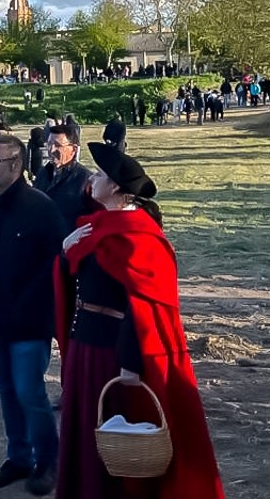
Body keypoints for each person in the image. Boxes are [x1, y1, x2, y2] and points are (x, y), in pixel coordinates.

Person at [54, 144, 225, 499]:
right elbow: (80, 280)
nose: (93, 180)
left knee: (117, 439)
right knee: (87, 431)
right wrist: (65, 253)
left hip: (113, 353)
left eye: (100, 175)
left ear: (115, 187)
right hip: (85, 344)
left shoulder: (141, 238)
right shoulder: (95, 226)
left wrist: (131, 363)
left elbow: (142, 306)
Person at [0, 134, 66, 495]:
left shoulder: (40, 207)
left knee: (29, 392)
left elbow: (58, 264)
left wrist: (29, 301)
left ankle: (48, 461)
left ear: (17, 166)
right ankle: (18, 458)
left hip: (30, 323)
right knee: (6, 391)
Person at [33, 123, 96, 233]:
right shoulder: (42, 174)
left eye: (57, 145)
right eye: (49, 144)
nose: (51, 150)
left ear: (74, 149)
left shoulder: (86, 180)